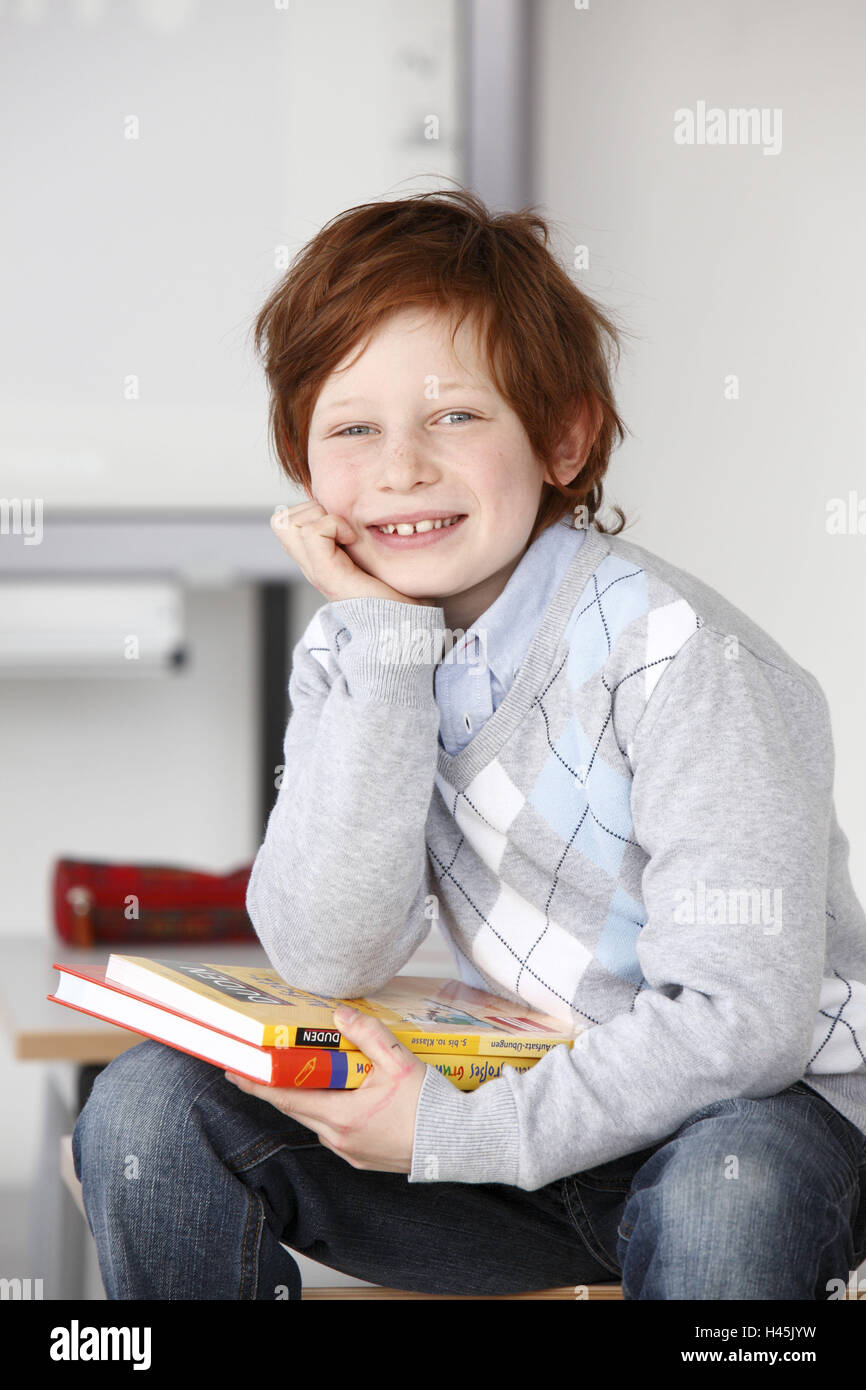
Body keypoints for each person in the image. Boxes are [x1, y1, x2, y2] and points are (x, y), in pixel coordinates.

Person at [74, 186, 866, 1300]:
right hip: (512, 1116)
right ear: (306, 473)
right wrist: (386, 657)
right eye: (351, 428)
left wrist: (453, 1134)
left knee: (724, 1189)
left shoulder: (683, 659)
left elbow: (743, 1025)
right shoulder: (358, 651)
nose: (399, 469)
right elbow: (326, 954)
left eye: (453, 415)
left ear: (561, 437)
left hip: (745, 1122)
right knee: (153, 1104)